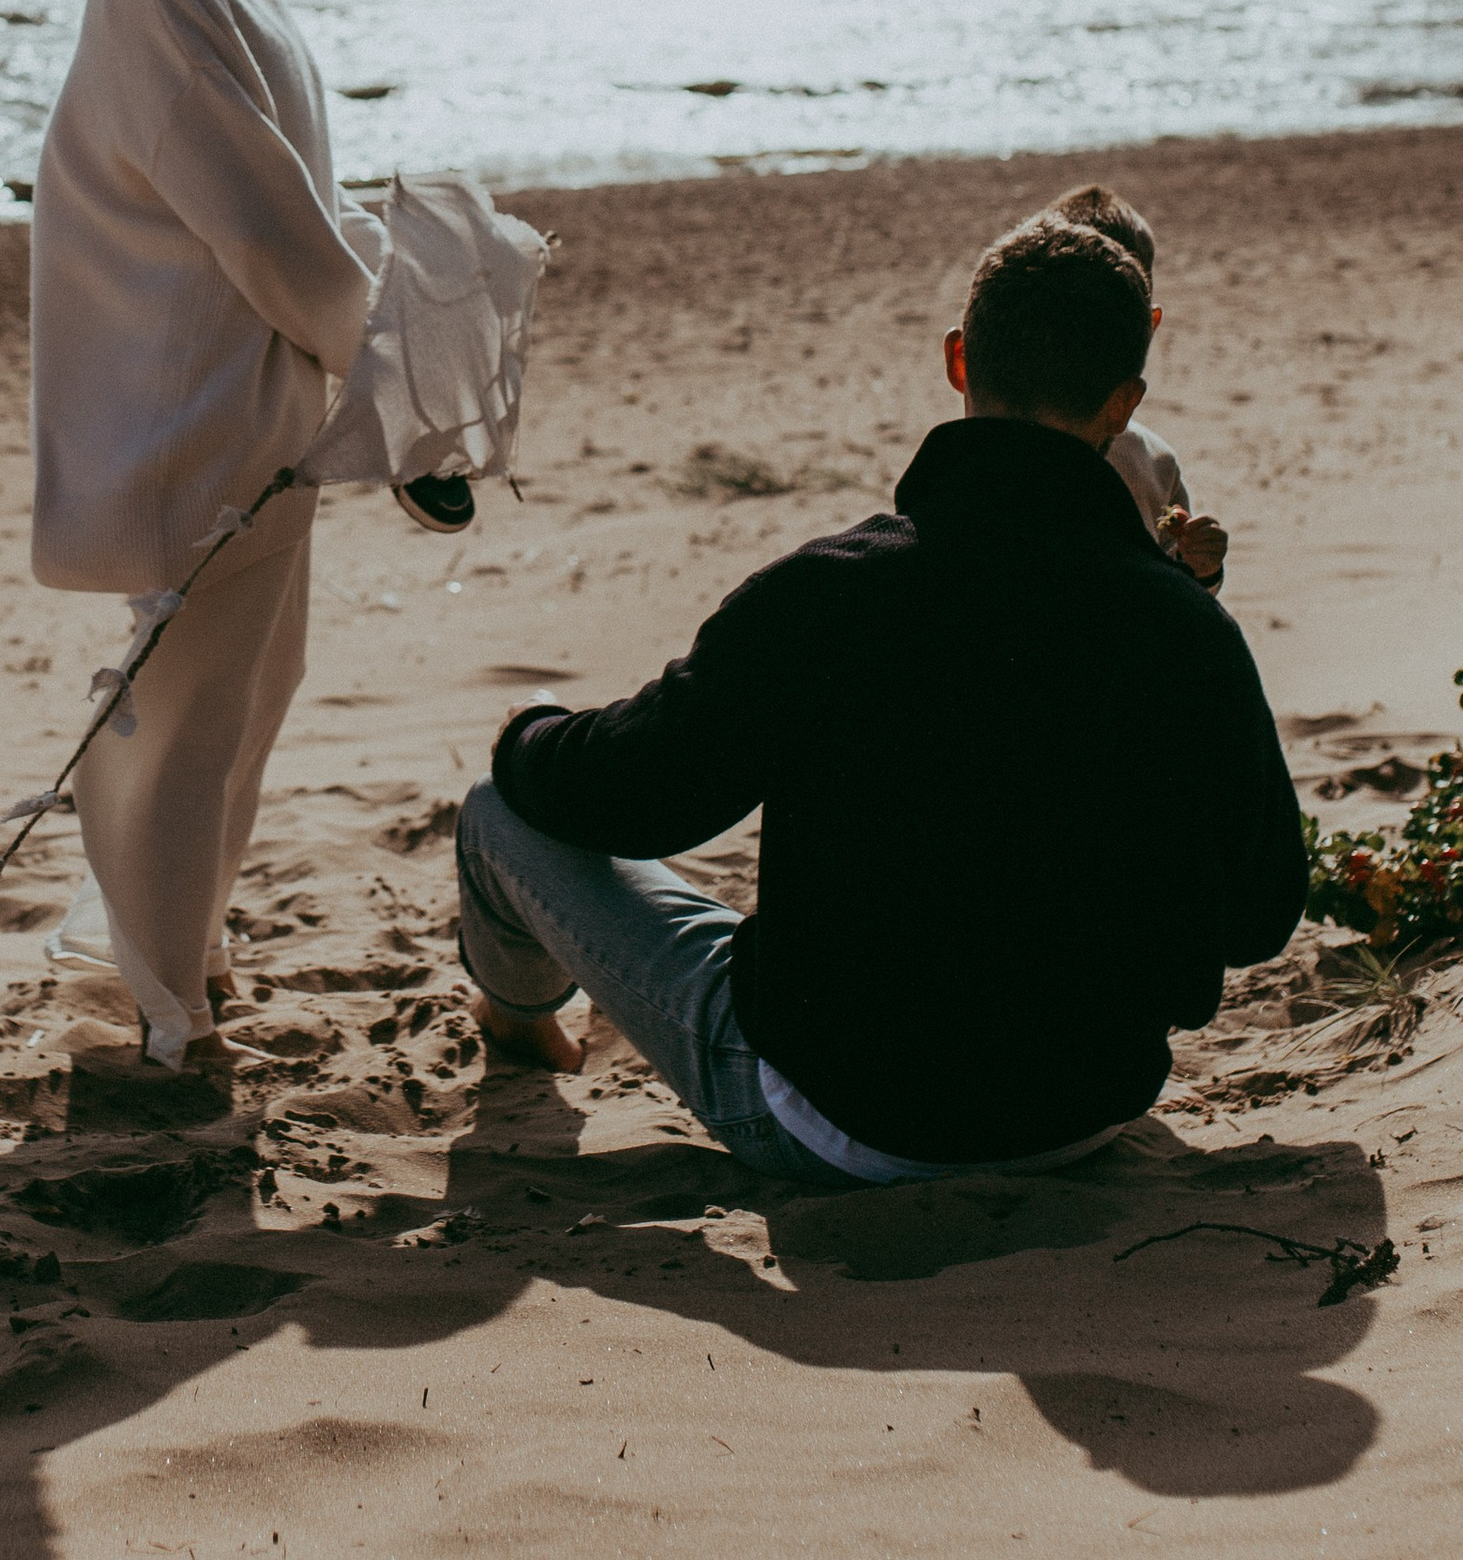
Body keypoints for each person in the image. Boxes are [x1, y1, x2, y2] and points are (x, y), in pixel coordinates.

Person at [452, 210, 1306, 1179]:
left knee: (497, 815)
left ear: (956, 362)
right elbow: (1260, 912)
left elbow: (645, 792)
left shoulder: (830, 591)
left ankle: (518, 1021)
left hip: (840, 1123)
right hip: (1086, 1113)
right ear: (1122, 404)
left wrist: (530, 734)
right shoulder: (1189, 631)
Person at [5, 0, 392, 1063]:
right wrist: (392, 350)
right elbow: (267, 228)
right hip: (195, 421)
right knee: (190, 717)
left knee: (239, 698)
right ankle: (170, 1011)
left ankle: (181, 963)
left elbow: (297, 194)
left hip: (254, 408)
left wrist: (379, 295)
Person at [1050, 180, 1226, 589]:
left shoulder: (1155, 463)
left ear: (1149, 324)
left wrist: (1201, 566)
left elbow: (1177, 593)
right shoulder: (1012, 441)